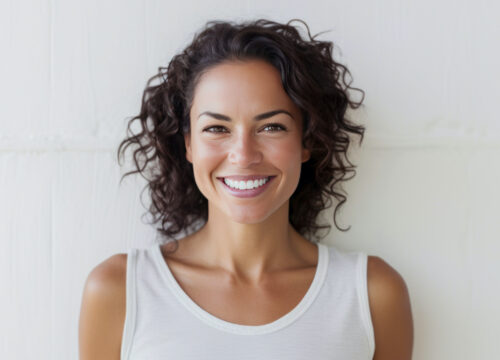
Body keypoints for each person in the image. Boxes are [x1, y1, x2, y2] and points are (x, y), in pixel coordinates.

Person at [78, 18, 413, 359]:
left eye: (271, 126)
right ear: (189, 144)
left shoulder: (371, 295)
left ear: (306, 140)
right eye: (217, 128)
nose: (244, 155)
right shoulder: (120, 290)